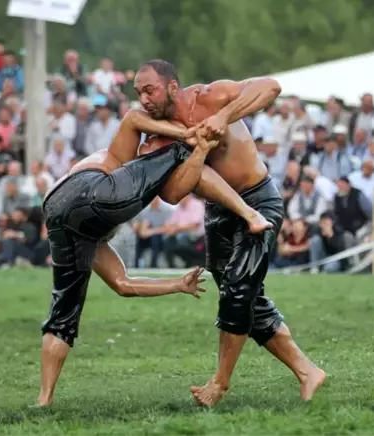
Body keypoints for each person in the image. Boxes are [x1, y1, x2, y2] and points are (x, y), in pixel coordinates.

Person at [37, 108, 272, 407]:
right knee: (180, 153)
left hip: (56, 213)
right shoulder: (125, 155)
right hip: (88, 188)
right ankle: (249, 212)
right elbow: (133, 119)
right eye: (151, 143)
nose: (149, 149)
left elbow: (123, 284)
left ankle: (44, 401)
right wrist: (187, 136)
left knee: (63, 317)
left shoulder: (88, 236)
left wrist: (178, 284)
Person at [132, 59, 325, 407]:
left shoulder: (209, 96)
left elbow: (270, 86)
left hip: (259, 200)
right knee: (247, 298)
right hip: (218, 214)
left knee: (238, 291)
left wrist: (224, 116)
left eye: (150, 90)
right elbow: (173, 194)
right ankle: (307, 370)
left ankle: (219, 384)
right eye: (138, 93)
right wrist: (199, 149)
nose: (144, 99)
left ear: (172, 87)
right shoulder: (158, 137)